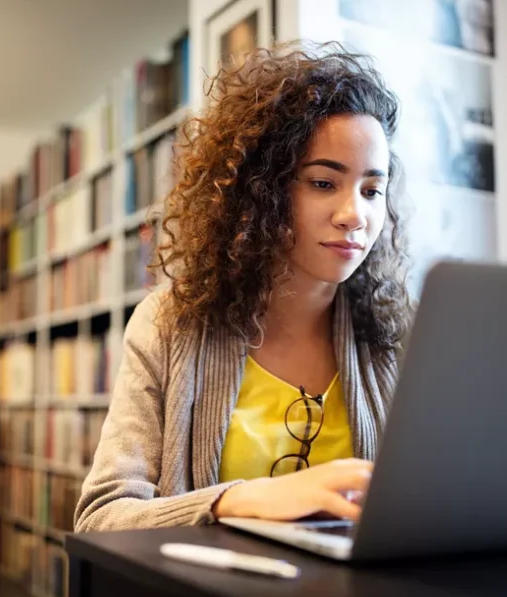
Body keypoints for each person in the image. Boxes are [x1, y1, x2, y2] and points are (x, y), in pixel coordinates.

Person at [74, 42, 412, 532]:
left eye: (371, 191)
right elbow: (101, 517)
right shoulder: (168, 324)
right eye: (323, 183)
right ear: (263, 189)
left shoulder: (400, 334)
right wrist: (241, 501)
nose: (354, 216)